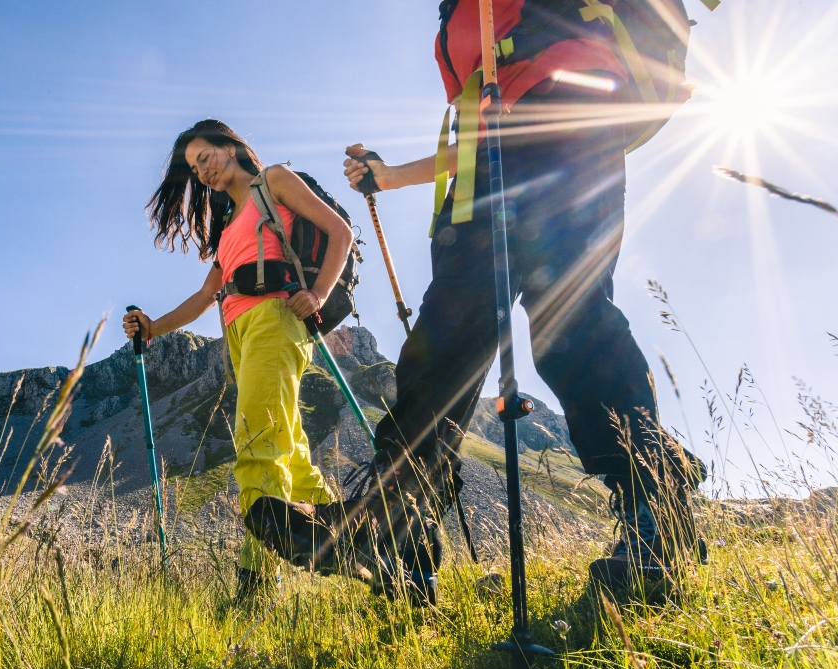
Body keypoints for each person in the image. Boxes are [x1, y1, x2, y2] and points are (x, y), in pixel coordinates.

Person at [247, 0, 705, 596]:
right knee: (445, 337)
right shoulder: (452, 20)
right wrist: (386, 177)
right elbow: (476, 127)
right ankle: (387, 518)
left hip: (570, 124)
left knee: (568, 320)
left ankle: (655, 513)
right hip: (484, 169)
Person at [124, 119, 354, 598]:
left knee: (257, 446)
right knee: (289, 452)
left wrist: (316, 293)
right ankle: (362, 545)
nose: (201, 172)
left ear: (230, 146)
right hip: (239, 334)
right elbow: (207, 295)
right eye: (193, 169)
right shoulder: (227, 225)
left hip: (276, 317)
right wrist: (153, 328)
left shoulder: (273, 181)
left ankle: (254, 586)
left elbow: (340, 232)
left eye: (204, 158)